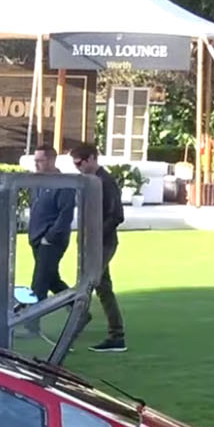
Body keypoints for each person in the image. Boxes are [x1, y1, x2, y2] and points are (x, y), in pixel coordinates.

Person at [72, 143, 127, 353]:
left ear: (92, 159)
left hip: (103, 243)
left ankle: (75, 332)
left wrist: (95, 236)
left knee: (89, 285)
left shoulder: (106, 182)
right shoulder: (91, 181)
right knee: (102, 288)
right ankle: (116, 335)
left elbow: (116, 216)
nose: (78, 167)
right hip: (93, 242)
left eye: (80, 163)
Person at [25, 143, 73, 321]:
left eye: (40, 160)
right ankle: (78, 307)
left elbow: (65, 214)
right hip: (37, 238)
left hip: (52, 241)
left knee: (39, 283)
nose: (36, 164)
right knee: (52, 279)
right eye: (35, 160)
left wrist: (50, 237)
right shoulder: (37, 182)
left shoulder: (63, 184)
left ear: (52, 160)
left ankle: (32, 324)